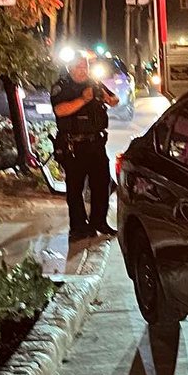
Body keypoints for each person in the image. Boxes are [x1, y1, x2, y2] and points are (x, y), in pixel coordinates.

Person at [51, 55, 119, 241]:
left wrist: (107, 98)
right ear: (71, 68)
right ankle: (79, 227)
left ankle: (99, 222)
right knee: (75, 188)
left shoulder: (94, 83)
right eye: (80, 66)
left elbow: (115, 100)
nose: (84, 70)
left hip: (96, 144)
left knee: (102, 184)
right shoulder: (62, 86)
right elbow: (60, 110)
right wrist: (83, 99)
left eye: (86, 66)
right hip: (74, 145)